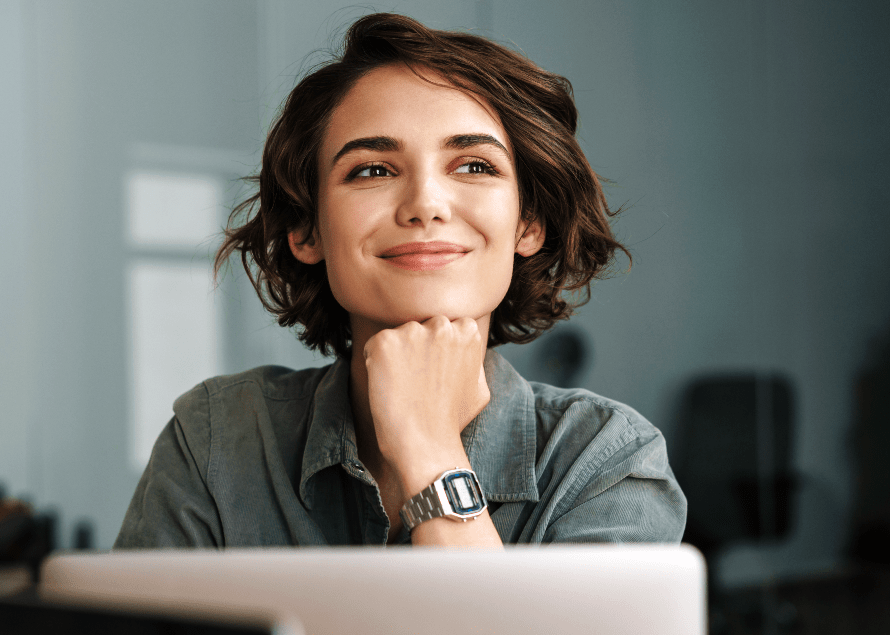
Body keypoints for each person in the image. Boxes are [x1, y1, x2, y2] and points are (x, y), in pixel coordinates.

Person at [115, 13, 686, 548]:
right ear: (306, 229)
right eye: (372, 170)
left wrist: (429, 451)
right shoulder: (215, 440)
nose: (425, 205)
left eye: (474, 166)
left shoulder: (606, 461)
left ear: (527, 223)